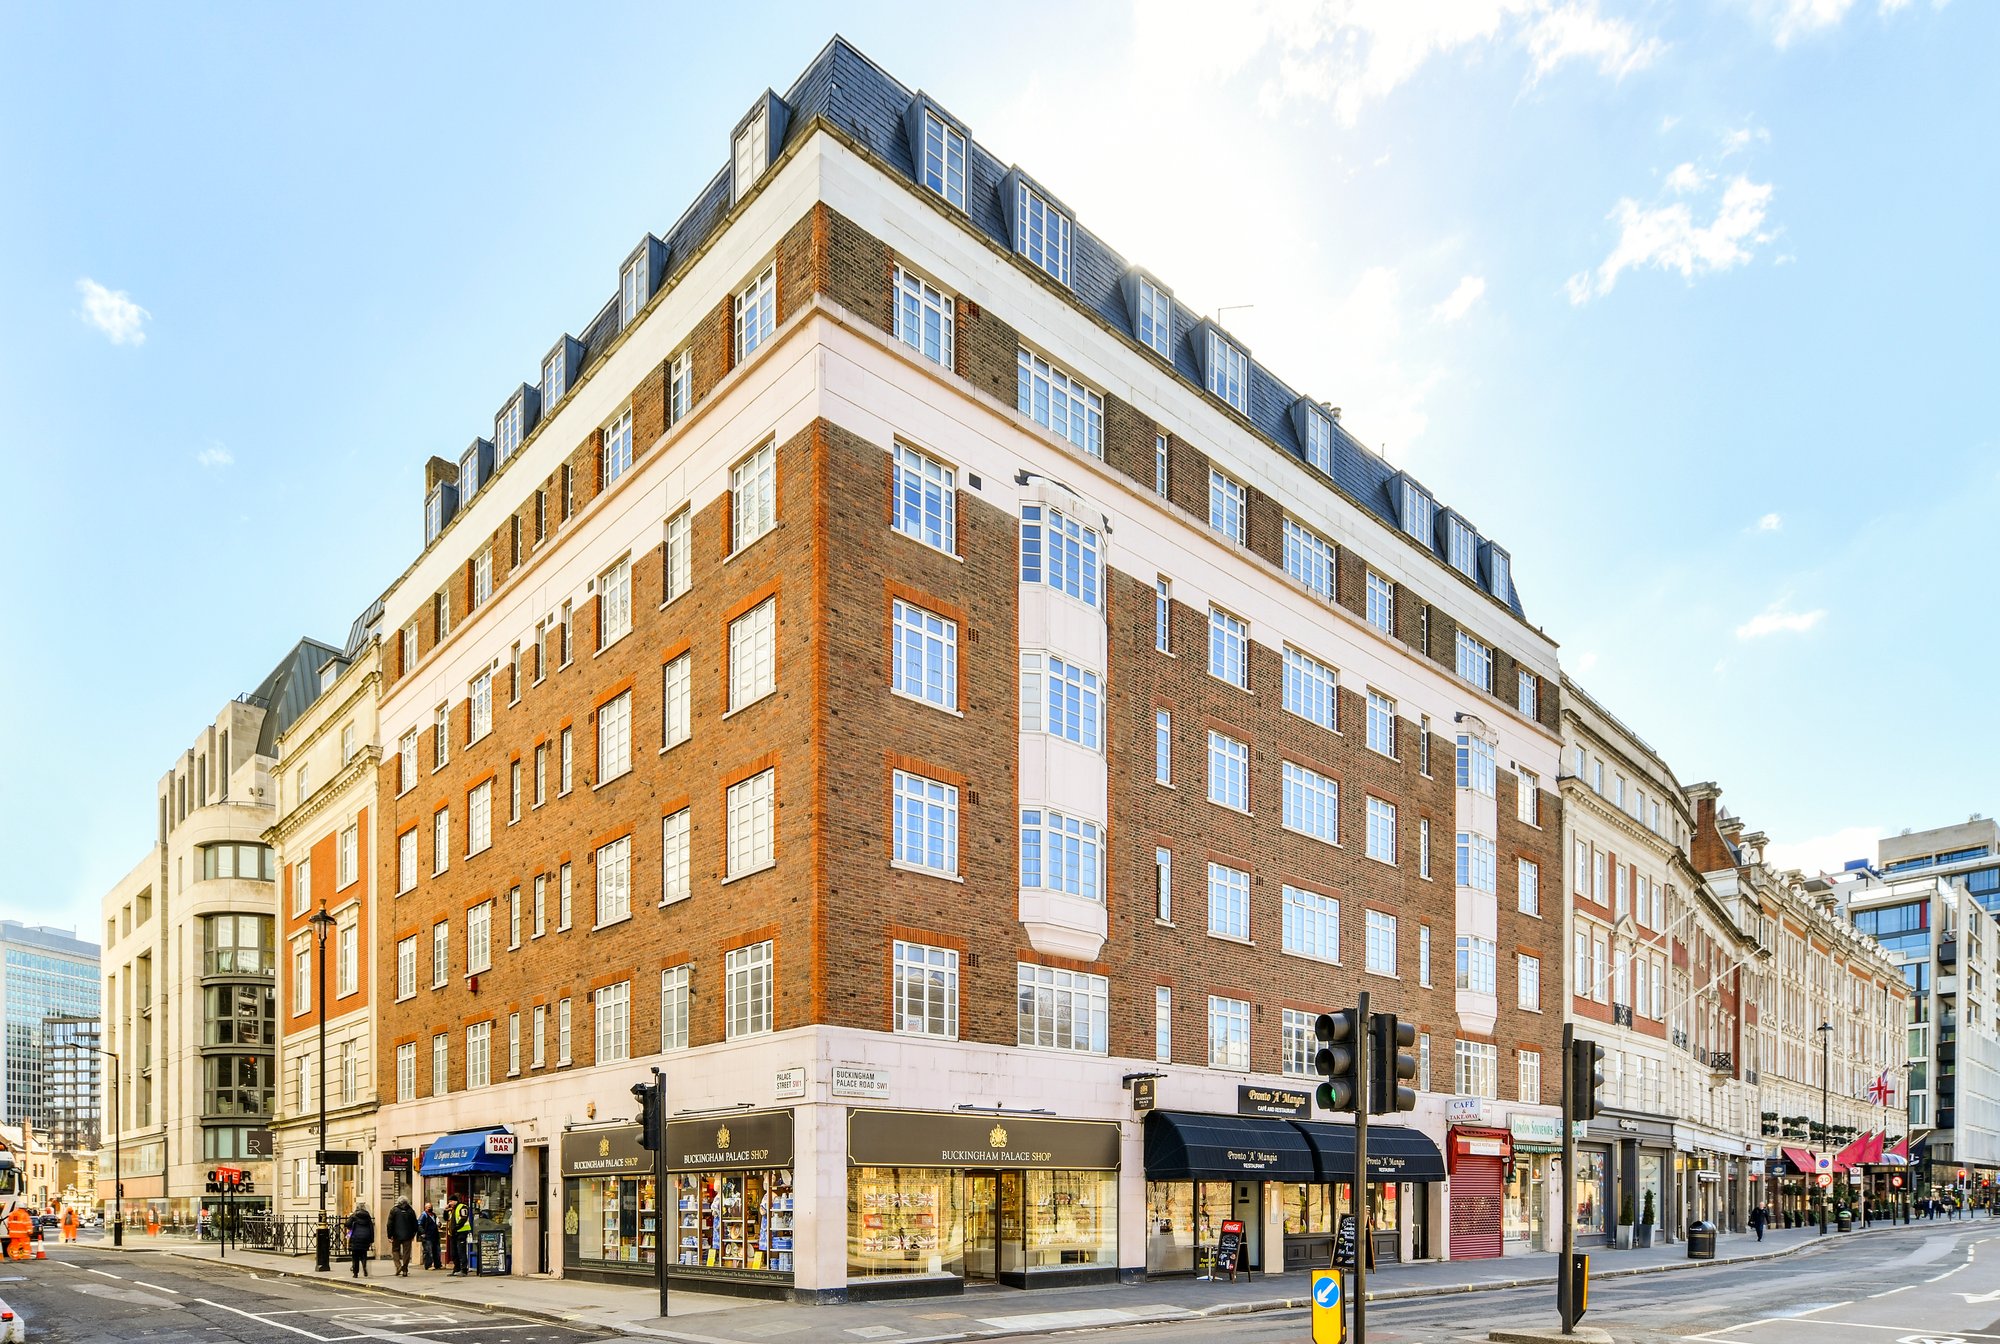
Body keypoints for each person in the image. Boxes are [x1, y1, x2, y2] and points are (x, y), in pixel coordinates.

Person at [385, 1196, 418, 1277]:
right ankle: (405, 1269)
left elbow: (389, 1224)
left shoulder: (394, 1210)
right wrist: (413, 1234)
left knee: (395, 1250)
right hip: (408, 1235)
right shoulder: (411, 1210)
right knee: (406, 1252)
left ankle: (398, 1266)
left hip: (396, 1235)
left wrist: (389, 1235)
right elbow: (415, 1223)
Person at [344, 1203, 375, 1277]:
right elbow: (371, 1228)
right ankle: (364, 1267)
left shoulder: (354, 1215)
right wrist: (371, 1239)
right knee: (363, 1254)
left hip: (355, 1237)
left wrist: (351, 1224)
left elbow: (347, 1224)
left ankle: (355, 1273)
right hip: (365, 1238)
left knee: (355, 1256)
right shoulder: (368, 1216)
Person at [449, 1199, 472, 1276]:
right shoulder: (452, 1209)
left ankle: (464, 1270)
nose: (449, 1203)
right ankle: (457, 1269)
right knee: (454, 1253)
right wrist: (445, 1211)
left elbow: (463, 1219)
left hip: (461, 1232)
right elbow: (446, 1219)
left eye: (450, 1201)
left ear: (454, 1201)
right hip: (453, 1234)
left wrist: (456, 1228)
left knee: (461, 1252)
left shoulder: (462, 1207)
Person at [418, 1202, 441, 1270]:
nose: (430, 1208)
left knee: (436, 1251)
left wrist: (439, 1224)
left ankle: (438, 1264)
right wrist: (423, 1233)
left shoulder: (434, 1215)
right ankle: (428, 1265)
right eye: (428, 1207)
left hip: (435, 1236)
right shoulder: (423, 1215)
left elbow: (438, 1223)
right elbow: (419, 1225)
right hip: (427, 1236)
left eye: (431, 1207)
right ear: (425, 1208)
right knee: (428, 1251)